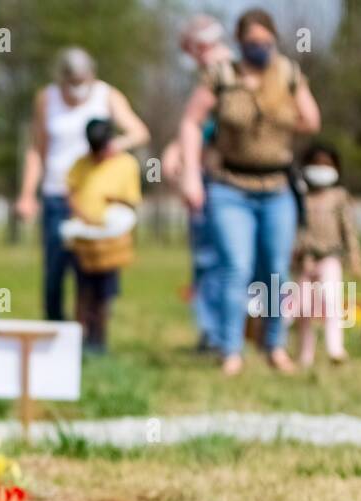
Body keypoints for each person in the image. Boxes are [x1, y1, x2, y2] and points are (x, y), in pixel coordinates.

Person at [177, 8, 320, 376]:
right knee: (235, 268)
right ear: (239, 44)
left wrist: (278, 113)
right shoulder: (222, 76)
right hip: (230, 188)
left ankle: (274, 346)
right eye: (252, 43)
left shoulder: (287, 73)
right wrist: (192, 175)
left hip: (276, 187)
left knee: (274, 271)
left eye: (265, 42)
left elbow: (311, 121)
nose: (260, 48)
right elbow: (191, 122)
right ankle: (230, 351)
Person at [15, 47, 149, 324]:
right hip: (57, 194)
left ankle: (92, 336)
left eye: (82, 80)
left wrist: (113, 146)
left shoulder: (106, 95)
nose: (77, 88)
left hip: (96, 198)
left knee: (94, 271)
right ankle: (56, 330)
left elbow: (139, 132)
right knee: (55, 269)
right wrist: (27, 194)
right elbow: (37, 149)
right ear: (61, 78)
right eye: (71, 82)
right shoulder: (46, 99)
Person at [161, 14, 233, 353]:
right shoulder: (215, 73)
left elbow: (212, 124)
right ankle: (218, 332)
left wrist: (179, 153)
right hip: (212, 176)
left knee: (214, 258)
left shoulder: (225, 73)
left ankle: (219, 334)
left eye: (190, 49)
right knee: (216, 258)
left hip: (221, 178)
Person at [60, 119, 142, 353]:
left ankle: (99, 339)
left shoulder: (126, 164)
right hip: (84, 240)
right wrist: (82, 216)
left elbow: (132, 201)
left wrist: (112, 204)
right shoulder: (80, 164)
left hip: (110, 241)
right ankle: (80, 337)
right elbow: (71, 192)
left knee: (104, 294)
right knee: (82, 290)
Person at [289, 142, 361, 366]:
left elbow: (349, 230)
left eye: (326, 164)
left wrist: (355, 258)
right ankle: (305, 354)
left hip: (330, 258)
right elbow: (295, 229)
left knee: (331, 302)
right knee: (303, 309)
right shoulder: (300, 197)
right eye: (315, 164)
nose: (320, 168)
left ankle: (335, 349)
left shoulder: (338, 197)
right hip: (304, 262)